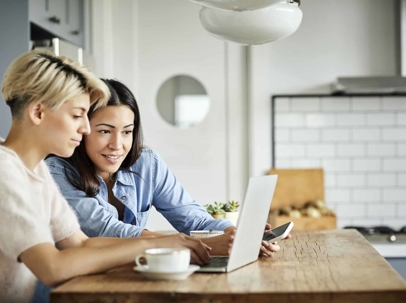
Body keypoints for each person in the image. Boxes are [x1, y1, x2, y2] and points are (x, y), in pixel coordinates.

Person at [0, 51, 210, 303]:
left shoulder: (34, 170)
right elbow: (52, 268)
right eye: (77, 115)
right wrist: (149, 245)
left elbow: (80, 244)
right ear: (38, 112)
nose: (86, 128)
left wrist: (163, 244)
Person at [46, 78, 287, 257]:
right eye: (105, 131)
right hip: (72, 288)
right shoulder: (57, 171)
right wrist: (202, 245)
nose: (117, 145)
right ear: (84, 129)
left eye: (127, 132)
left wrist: (238, 235)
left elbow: (194, 219)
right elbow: (105, 230)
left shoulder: (146, 163)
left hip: (127, 276)